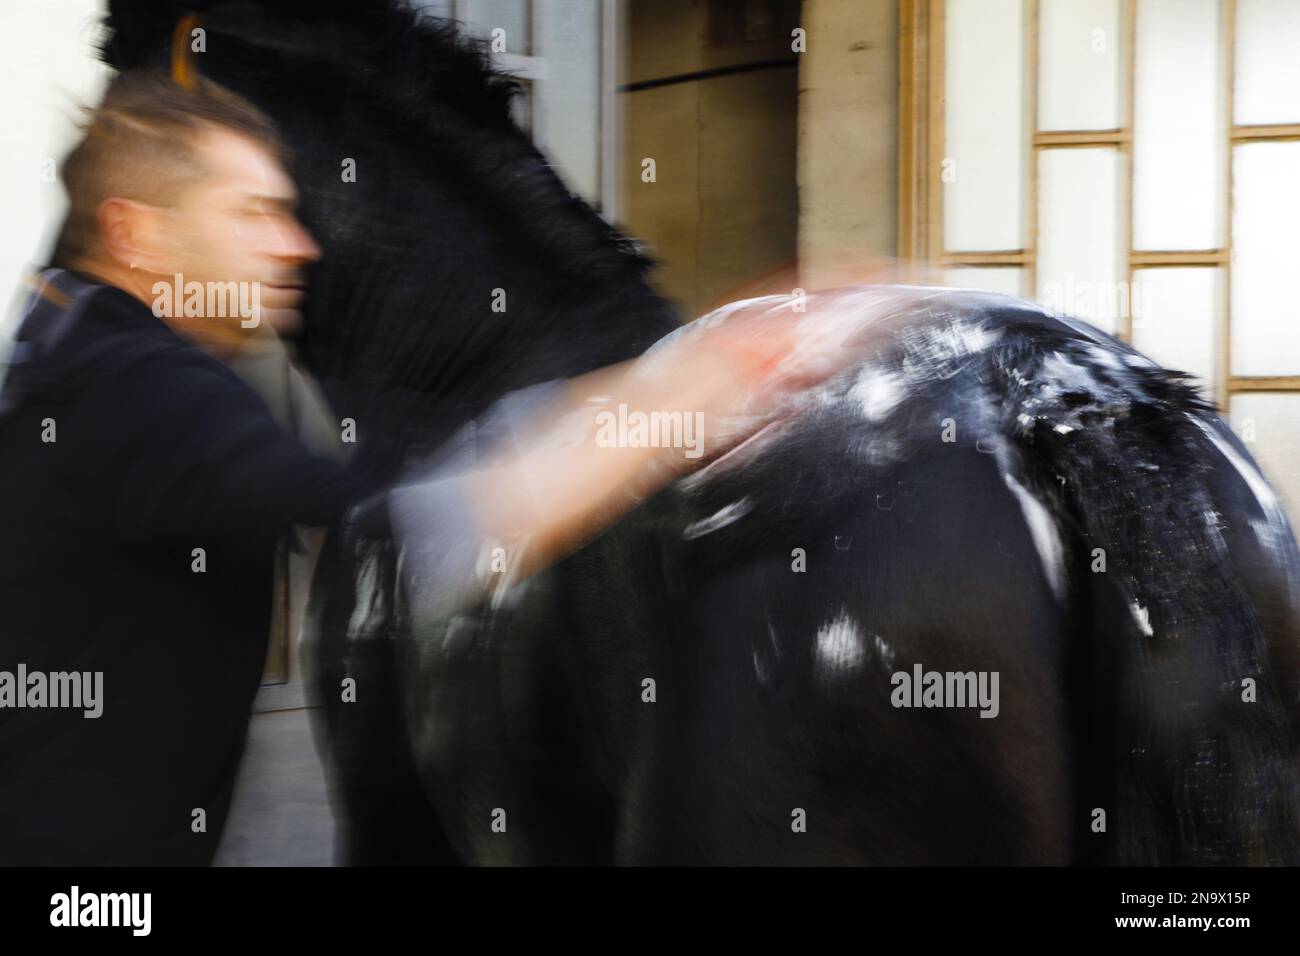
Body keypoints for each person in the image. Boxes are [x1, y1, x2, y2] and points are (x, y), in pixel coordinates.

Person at [0, 71, 861, 865]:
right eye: (253, 213)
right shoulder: (143, 384)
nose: (297, 245)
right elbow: (403, 533)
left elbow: (402, 447)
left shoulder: (69, 338)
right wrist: (686, 393)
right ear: (135, 233)